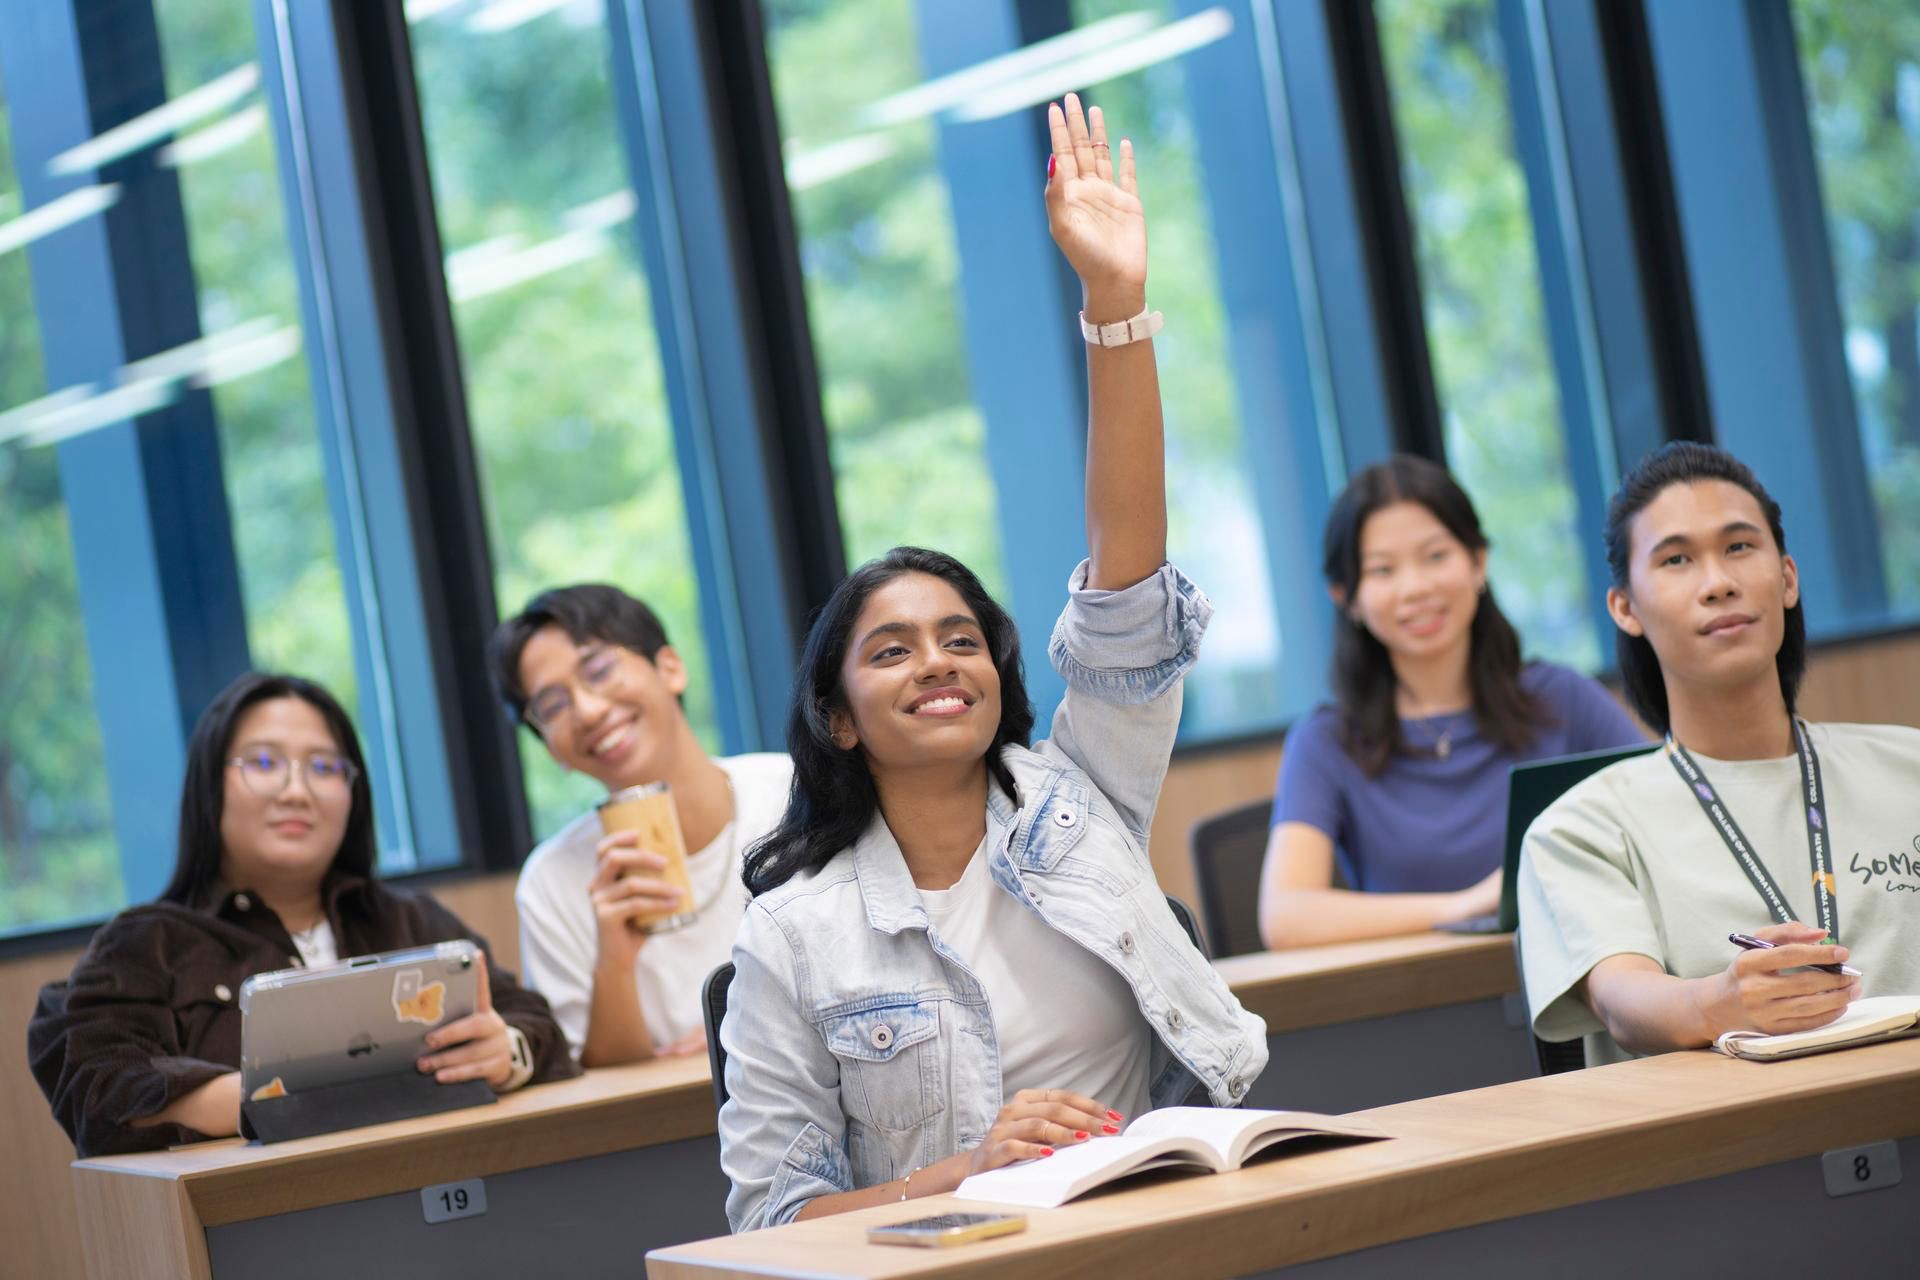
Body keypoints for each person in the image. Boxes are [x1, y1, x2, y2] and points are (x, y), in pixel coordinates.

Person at [716, 94, 1266, 1234]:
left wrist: (1113, 303)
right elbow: (773, 1216)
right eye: (892, 649)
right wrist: (971, 1166)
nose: (937, 661)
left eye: (961, 637)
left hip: (1160, 1229)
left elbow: (1124, 584)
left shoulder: (1081, 798)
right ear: (840, 717)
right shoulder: (794, 935)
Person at [28, 672, 575, 1158]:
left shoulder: (412, 922)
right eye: (264, 763)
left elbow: (537, 1025)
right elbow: (95, 1085)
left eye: (324, 767)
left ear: (352, 792)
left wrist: (505, 1053)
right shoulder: (148, 943)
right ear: (209, 786)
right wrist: (273, 1099)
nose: (297, 791)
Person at [1518, 442, 1920, 1065]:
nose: (1718, 583)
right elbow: (1623, 1001)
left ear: (1786, 577)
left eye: (1738, 547)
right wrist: (1720, 1003)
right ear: (1625, 608)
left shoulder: (1910, 767)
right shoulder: (1580, 828)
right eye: (1676, 559)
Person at [1259, 455, 1645, 948]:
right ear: (1347, 596)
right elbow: (1285, 916)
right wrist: (1463, 906)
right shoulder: (1326, 742)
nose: (1416, 588)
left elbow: (1663, 822)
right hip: (1414, 1004)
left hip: (1578, 984)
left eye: (1436, 556)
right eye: (1383, 570)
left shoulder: (1561, 698)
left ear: (1478, 561)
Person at [490, 585, 792, 1066]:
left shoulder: (796, 794)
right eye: (553, 706)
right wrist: (616, 959)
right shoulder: (552, 880)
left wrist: (750, 1029)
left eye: (600, 671)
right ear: (549, 747)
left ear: (669, 667)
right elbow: (603, 1089)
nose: (587, 711)